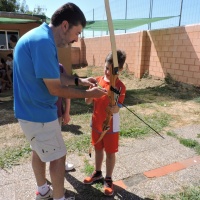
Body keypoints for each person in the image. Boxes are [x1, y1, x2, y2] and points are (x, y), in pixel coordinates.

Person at [13, 3, 107, 200]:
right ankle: (59, 197)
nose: (77, 39)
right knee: (58, 156)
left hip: (30, 112)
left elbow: (54, 77)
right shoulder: (43, 43)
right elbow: (55, 89)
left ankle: (43, 190)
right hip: (39, 114)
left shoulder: (41, 37)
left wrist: (79, 81)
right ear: (65, 25)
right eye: (77, 32)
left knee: (39, 151)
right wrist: (89, 95)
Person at [83, 50, 126, 196]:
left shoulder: (120, 86)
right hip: (96, 123)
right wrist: (91, 93)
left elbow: (117, 108)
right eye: (106, 68)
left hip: (111, 126)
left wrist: (113, 107)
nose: (107, 72)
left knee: (110, 152)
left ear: (119, 70)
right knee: (98, 149)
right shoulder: (97, 81)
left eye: (111, 69)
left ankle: (108, 178)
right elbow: (87, 101)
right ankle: (98, 173)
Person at [56, 63, 74, 171]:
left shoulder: (60, 67)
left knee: (58, 141)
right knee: (39, 147)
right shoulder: (34, 65)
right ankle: (41, 180)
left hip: (56, 113)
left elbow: (67, 91)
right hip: (39, 115)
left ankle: (61, 164)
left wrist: (67, 112)